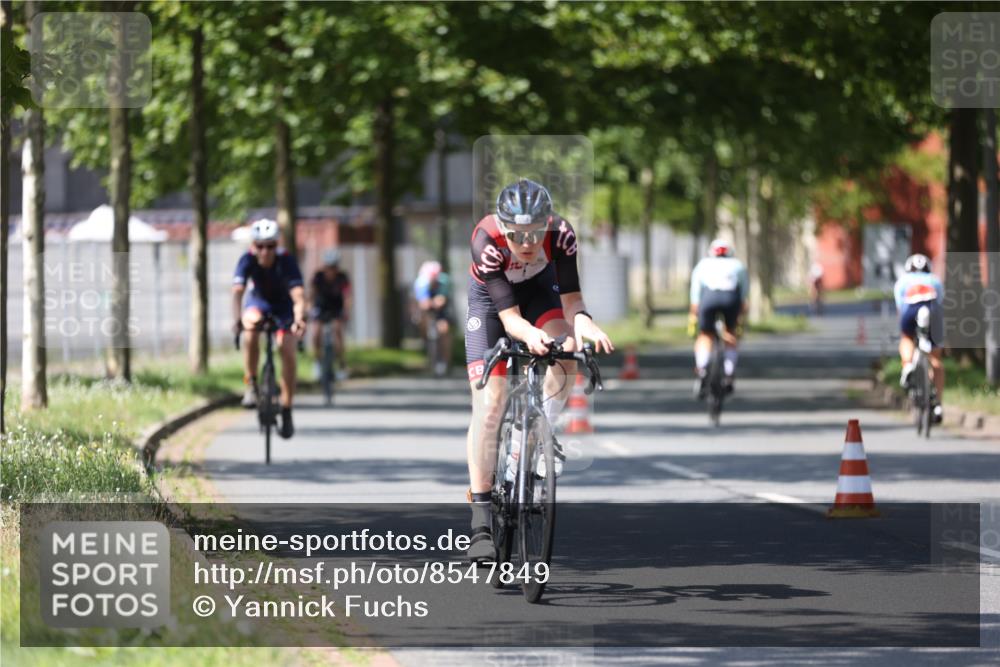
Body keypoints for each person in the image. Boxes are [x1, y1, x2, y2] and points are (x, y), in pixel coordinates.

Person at [464, 178, 614, 562]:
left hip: (538, 290)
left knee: (566, 351)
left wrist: (583, 322)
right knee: (490, 404)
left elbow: (572, 299)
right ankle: (480, 521)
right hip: (493, 305)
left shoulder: (562, 236)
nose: (527, 242)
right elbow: (510, 319)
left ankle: (539, 430)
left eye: (535, 233)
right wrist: (532, 336)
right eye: (517, 235)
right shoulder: (486, 240)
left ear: (547, 224)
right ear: (504, 228)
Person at [232, 219, 306, 439]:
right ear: (253, 246)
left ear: (277, 245)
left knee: (288, 350)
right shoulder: (246, 259)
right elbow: (237, 293)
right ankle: (251, 383)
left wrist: (299, 318)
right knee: (251, 330)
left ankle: (287, 409)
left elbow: (298, 296)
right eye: (260, 246)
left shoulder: (286, 260)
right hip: (258, 303)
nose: (265, 251)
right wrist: (237, 320)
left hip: (283, 307)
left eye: (270, 246)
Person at [688, 239, 749, 397]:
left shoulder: (703, 264)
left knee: (705, 335)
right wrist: (741, 314)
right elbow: (744, 293)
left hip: (709, 298)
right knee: (730, 334)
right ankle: (729, 374)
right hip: (731, 299)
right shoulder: (738, 265)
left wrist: (694, 312)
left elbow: (695, 293)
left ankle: (702, 369)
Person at [894, 253, 945, 423]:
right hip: (933, 311)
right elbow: (940, 303)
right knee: (935, 359)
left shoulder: (902, 281)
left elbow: (900, 307)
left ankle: (908, 365)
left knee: (907, 338)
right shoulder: (935, 280)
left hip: (910, 309)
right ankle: (938, 403)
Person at [309, 248, 352, 381]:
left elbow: (347, 296)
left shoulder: (342, 278)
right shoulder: (318, 277)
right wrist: (309, 308)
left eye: (334, 267)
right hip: (321, 308)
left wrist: (346, 311)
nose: (331, 270)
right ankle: (317, 362)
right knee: (316, 333)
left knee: (337, 331)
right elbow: (312, 294)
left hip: (336, 309)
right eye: (328, 267)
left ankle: (341, 364)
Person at [413, 260, 453, 377]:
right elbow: (423, 304)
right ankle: (429, 356)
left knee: (444, 329)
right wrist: (429, 303)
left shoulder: (444, 281)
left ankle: (446, 362)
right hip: (427, 308)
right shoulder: (421, 283)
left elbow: (442, 300)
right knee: (422, 322)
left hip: (441, 309)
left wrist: (438, 302)